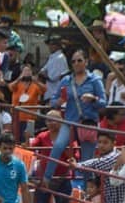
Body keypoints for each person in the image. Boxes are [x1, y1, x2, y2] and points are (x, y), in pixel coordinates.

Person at [44, 48, 106, 181]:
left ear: (86, 62)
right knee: (58, 146)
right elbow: (53, 101)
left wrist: (93, 98)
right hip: (70, 122)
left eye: (79, 60)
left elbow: (103, 103)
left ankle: (84, 191)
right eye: (73, 61)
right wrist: (59, 101)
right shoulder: (66, 80)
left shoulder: (95, 80)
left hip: (88, 124)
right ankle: (46, 179)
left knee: (86, 160)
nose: (76, 63)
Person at [69, 131, 125, 203]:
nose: (101, 145)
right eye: (99, 142)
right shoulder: (111, 155)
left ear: (113, 143)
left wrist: (78, 166)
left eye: (105, 142)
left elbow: (100, 163)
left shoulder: (115, 156)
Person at [31, 109, 75, 203]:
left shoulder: (68, 137)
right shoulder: (42, 136)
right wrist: (27, 138)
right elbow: (31, 147)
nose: (52, 123)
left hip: (62, 179)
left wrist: (65, 150)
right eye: (49, 120)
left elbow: (75, 156)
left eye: (55, 120)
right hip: (44, 178)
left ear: (61, 121)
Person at [39, 36, 69, 103]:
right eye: (49, 44)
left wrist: (45, 74)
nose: (50, 46)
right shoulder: (52, 57)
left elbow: (52, 77)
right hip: (49, 93)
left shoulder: (60, 58)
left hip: (55, 94)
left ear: (58, 45)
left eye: (52, 44)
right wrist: (43, 73)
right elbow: (41, 71)